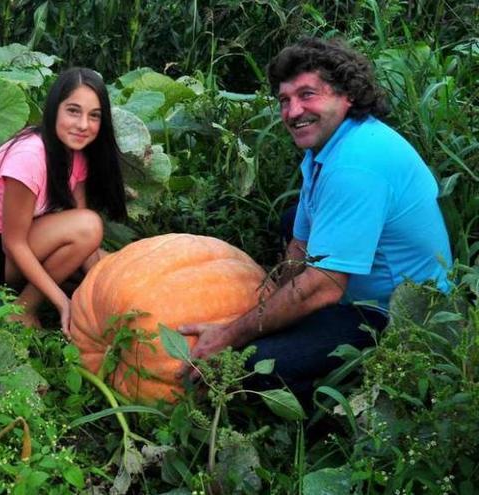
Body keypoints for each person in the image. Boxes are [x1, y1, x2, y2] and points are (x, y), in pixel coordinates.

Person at [178, 37, 453, 397]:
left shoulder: (356, 164)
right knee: (292, 219)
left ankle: (332, 407)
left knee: (254, 364)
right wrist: (270, 308)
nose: (293, 112)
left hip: (395, 316)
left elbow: (324, 286)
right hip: (357, 279)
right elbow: (301, 241)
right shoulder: (329, 145)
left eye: (308, 95)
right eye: (284, 100)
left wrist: (230, 336)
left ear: (347, 95)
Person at [0, 67, 127, 331]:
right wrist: (61, 301)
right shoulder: (29, 157)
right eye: (73, 111)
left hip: (19, 245)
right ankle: (22, 310)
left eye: (94, 116)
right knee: (89, 227)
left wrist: (111, 278)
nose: (83, 125)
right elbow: (15, 244)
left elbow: (80, 238)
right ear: (55, 108)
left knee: (112, 264)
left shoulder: (77, 155)